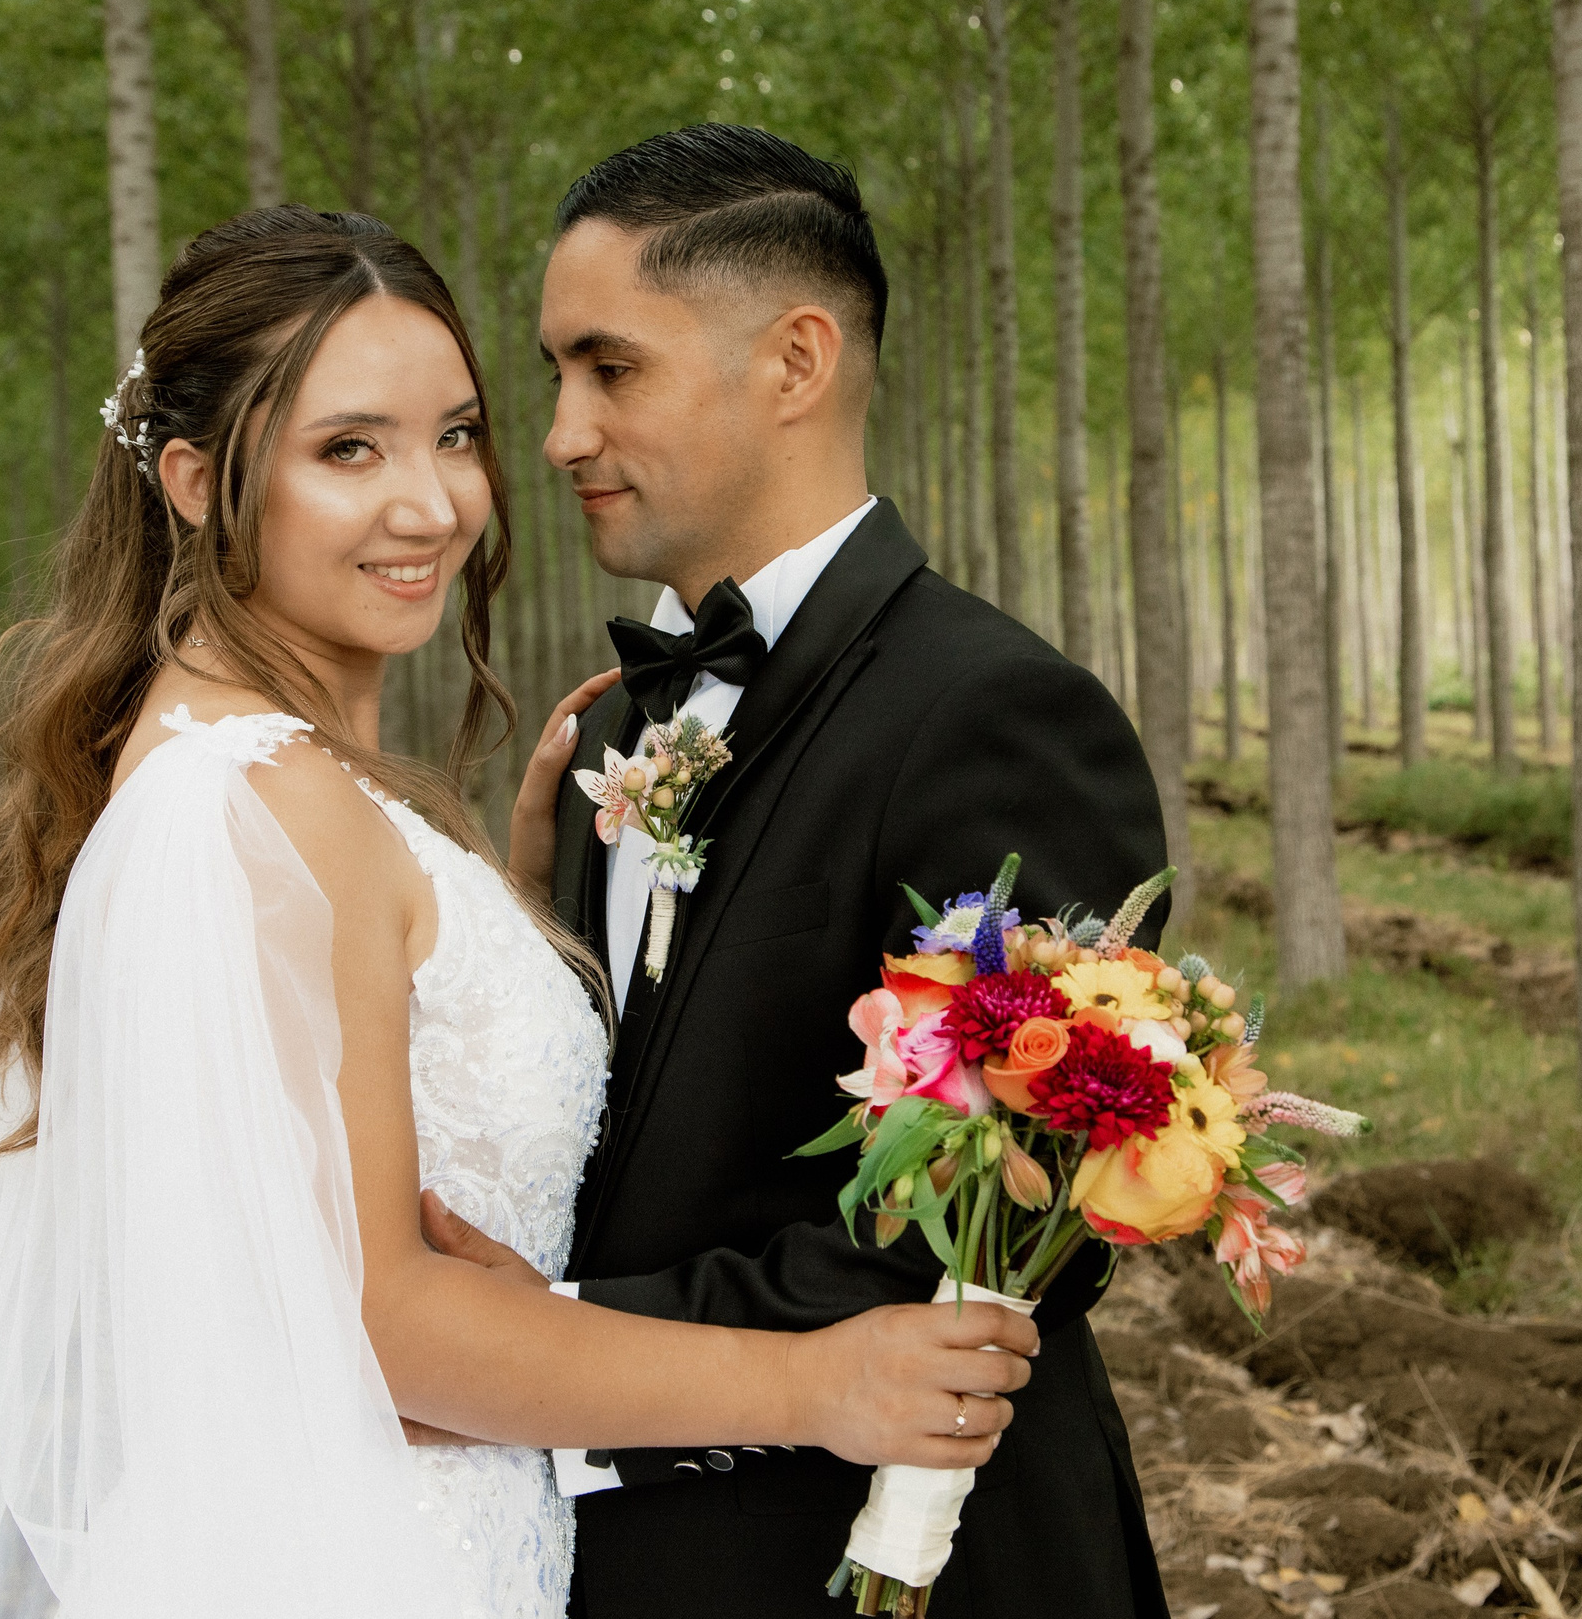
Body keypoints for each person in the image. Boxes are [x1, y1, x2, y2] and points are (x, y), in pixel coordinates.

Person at [0, 205, 1037, 1619]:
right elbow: (378, 1320)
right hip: (363, 1549)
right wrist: (814, 1385)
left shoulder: (271, 775)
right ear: (197, 480)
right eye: (347, 449)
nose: (431, 504)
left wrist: (511, 911)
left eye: (456, 435)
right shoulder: (252, 800)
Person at [502, 124, 1174, 1618]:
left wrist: (550, 1350)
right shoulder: (613, 729)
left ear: (795, 361)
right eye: (557, 375)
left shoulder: (998, 714)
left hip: (909, 1558)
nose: (560, 434)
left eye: (610, 370)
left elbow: (999, 1224)